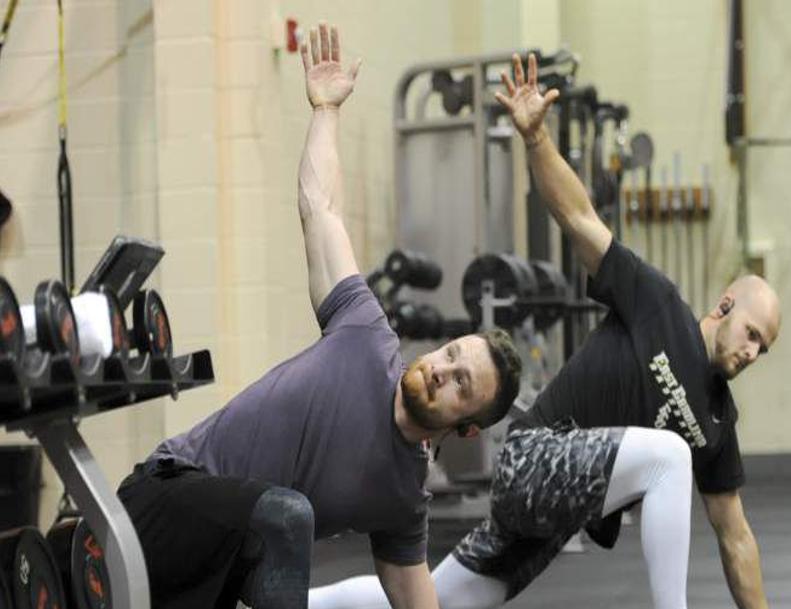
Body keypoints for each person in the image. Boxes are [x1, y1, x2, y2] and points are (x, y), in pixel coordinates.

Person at [308, 52, 781, 609]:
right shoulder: (658, 304)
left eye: (763, 347)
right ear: (725, 305)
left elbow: (737, 536)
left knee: (433, 598)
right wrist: (536, 140)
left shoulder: (720, 422)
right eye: (751, 333)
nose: (752, 351)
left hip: (559, 514)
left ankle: (294, 601)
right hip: (535, 456)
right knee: (670, 456)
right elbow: (580, 217)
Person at [116, 24, 522, 609]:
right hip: (160, 499)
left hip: (216, 574)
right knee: (288, 514)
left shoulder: (402, 499)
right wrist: (325, 111)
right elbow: (320, 208)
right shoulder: (363, 333)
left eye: (463, 385)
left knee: (282, 525)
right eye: (452, 354)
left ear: (467, 428)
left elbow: (415, 598)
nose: (442, 370)